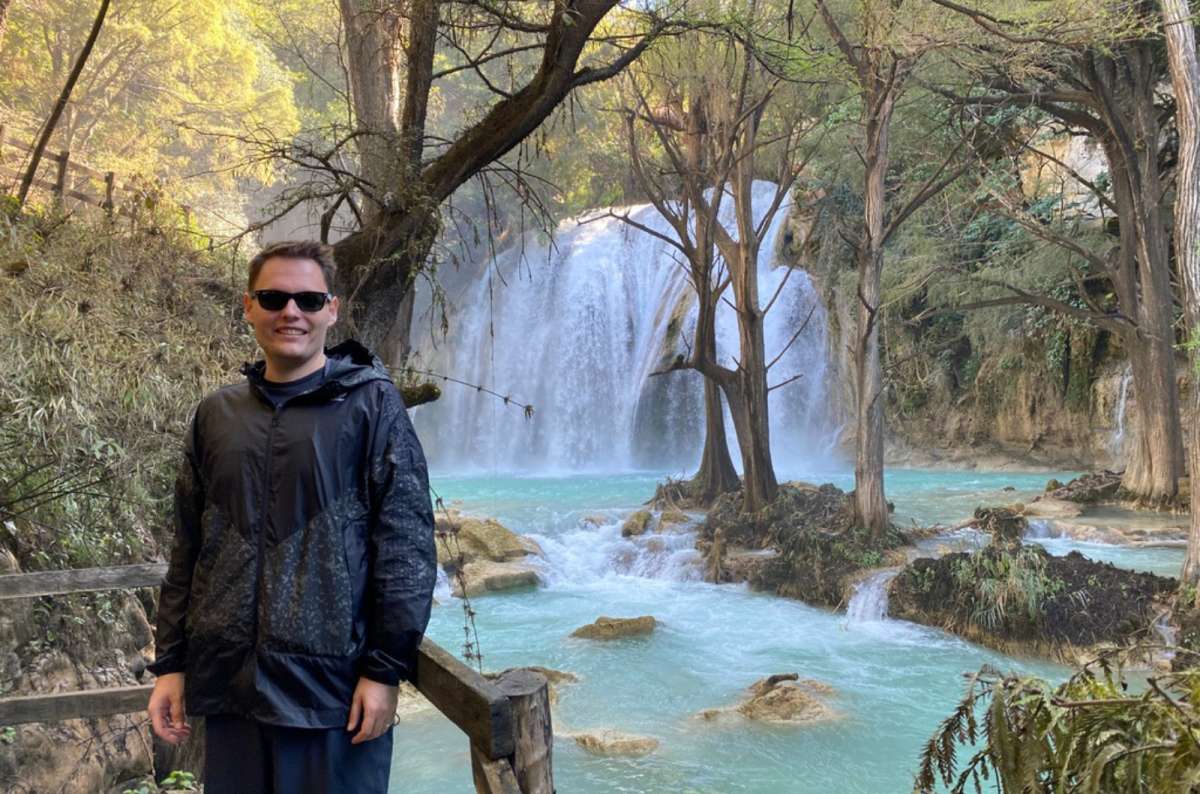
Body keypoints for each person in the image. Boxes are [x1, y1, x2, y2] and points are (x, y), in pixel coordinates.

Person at [145, 240, 436, 793]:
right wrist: (170, 665)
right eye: (274, 297)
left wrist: (383, 669)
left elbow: (406, 546)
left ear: (332, 308)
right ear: (249, 306)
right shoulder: (217, 414)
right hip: (231, 690)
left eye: (307, 299)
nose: (291, 312)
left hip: (332, 698)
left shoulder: (371, 404)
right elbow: (188, 547)